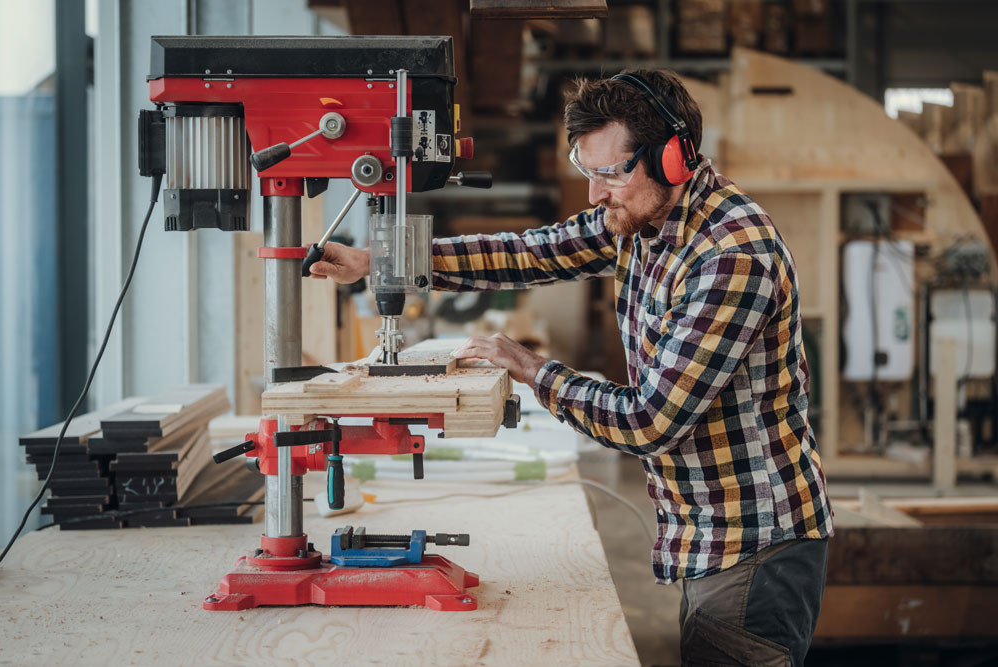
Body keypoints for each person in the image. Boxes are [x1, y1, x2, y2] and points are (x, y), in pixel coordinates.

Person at [310, 69, 834, 667]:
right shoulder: (643, 218)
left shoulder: (732, 258)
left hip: (754, 540)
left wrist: (532, 369)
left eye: (610, 174)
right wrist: (380, 261)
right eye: (588, 173)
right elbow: (528, 253)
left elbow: (649, 422)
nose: (594, 194)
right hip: (707, 529)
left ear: (674, 157)